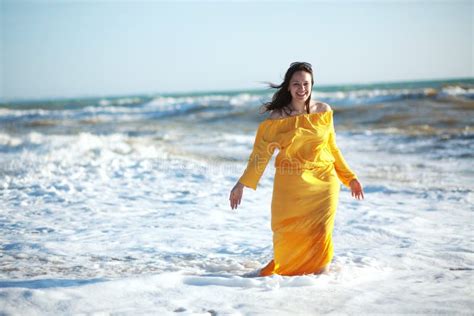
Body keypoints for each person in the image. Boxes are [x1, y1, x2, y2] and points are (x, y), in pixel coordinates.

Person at [229, 62, 364, 276]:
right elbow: (260, 155)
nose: (302, 89)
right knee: (288, 231)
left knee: (322, 231)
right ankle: (292, 278)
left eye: (306, 84)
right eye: (296, 84)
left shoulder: (324, 111)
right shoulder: (277, 119)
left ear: (312, 85)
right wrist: (241, 184)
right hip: (291, 185)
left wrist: (350, 178)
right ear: (289, 87)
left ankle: (320, 281)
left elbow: (332, 148)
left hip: (324, 182)